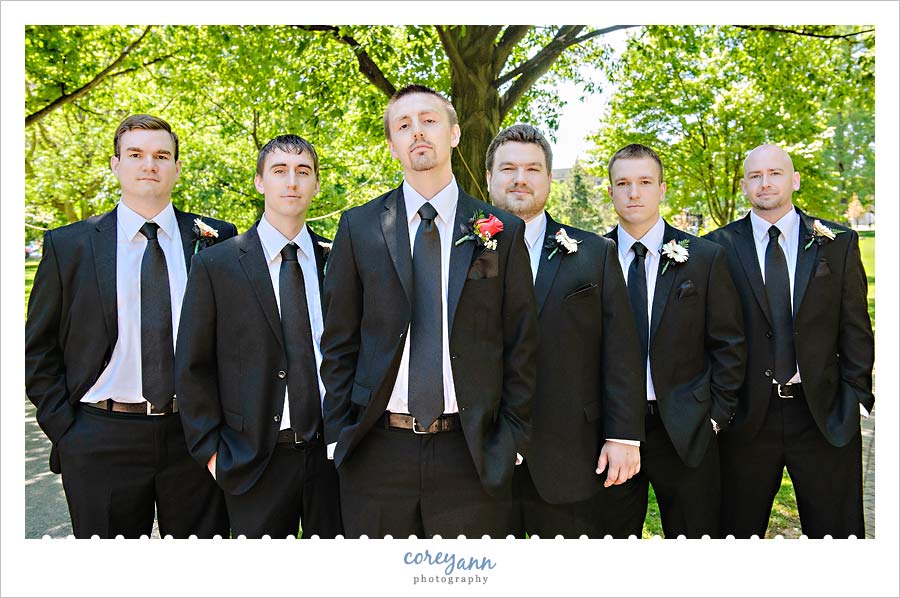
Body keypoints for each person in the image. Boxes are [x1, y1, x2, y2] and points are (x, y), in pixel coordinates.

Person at [319, 84, 538, 538]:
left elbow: (520, 341)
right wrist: (341, 431)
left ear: (454, 134)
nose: (417, 132)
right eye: (403, 125)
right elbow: (340, 340)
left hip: (471, 452)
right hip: (377, 450)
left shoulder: (499, 230)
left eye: (429, 121)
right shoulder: (359, 227)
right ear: (392, 144)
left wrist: (511, 439)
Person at [24, 114, 234, 538]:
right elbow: (38, 349)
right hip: (100, 436)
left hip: (193, 436)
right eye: (135, 154)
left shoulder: (218, 239)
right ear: (116, 164)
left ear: (176, 166)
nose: (149, 165)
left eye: (161, 155)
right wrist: (67, 431)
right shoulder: (70, 245)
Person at [175, 135, 343, 539]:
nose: (292, 182)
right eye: (279, 171)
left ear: (316, 185)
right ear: (259, 181)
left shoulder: (336, 259)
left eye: (303, 172)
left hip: (331, 458)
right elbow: (192, 366)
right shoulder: (218, 265)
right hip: (254, 460)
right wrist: (213, 454)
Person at [705, 144, 874, 538]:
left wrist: (855, 399)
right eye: (755, 176)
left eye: (775, 173)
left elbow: (856, 331)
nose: (765, 183)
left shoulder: (838, 242)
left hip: (824, 414)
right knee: (733, 534)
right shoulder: (716, 248)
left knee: (837, 536)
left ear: (794, 180)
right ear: (745, 185)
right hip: (746, 419)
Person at [486, 124, 645, 539]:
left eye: (533, 169)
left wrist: (623, 435)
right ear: (489, 178)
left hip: (570, 453)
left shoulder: (595, 253)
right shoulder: (456, 249)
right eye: (508, 168)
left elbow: (621, 351)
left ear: (548, 179)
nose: (520, 179)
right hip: (479, 456)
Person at [603, 143, 745, 538]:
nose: (634, 192)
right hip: (611, 432)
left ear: (662, 189)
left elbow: (728, 344)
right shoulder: (591, 257)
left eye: (645, 182)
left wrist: (715, 416)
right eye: (623, 183)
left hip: (687, 430)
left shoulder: (704, 258)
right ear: (610, 191)